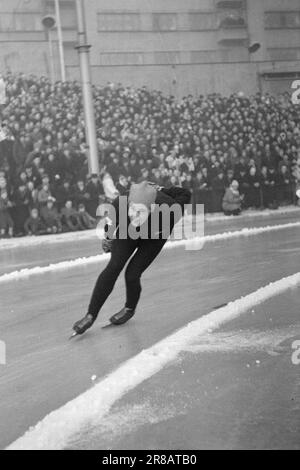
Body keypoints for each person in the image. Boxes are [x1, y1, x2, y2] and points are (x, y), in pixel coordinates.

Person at [72, 181, 191, 336]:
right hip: (128, 230)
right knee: (113, 267)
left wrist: (163, 189)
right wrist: (108, 237)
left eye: (140, 213)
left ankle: (129, 308)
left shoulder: (168, 208)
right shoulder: (121, 202)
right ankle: (90, 315)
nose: (136, 216)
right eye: (133, 211)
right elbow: (111, 221)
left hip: (154, 236)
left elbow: (186, 193)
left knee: (132, 274)